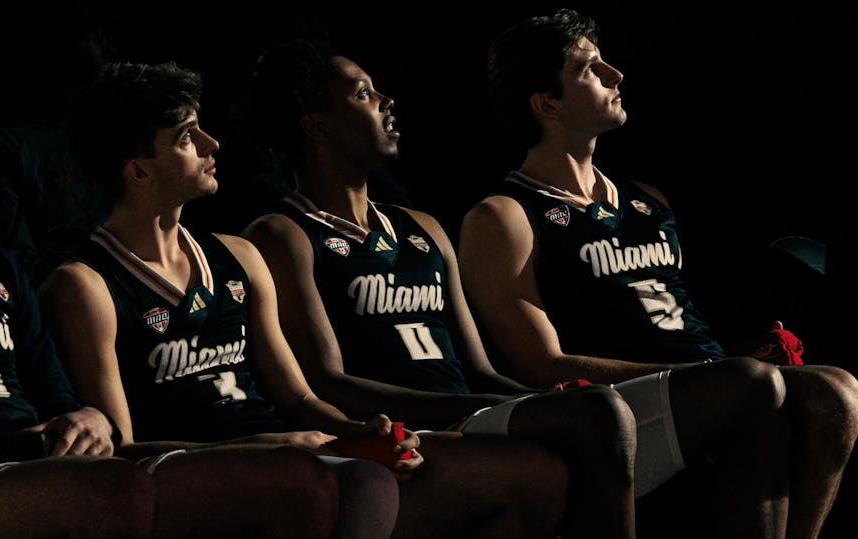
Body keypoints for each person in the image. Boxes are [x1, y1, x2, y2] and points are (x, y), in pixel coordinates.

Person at [40, 60, 572, 539]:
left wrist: (360, 432)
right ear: (138, 169)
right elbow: (125, 453)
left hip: (302, 455)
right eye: (186, 136)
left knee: (537, 475)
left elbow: (299, 399)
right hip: (211, 477)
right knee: (347, 487)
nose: (212, 144)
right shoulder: (85, 283)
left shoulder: (237, 255)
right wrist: (274, 450)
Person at [0, 62, 344, 539]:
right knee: (117, 488)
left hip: (35, 468)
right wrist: (33, 444)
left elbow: (61, 401)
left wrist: (85, 419)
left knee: (327, 484)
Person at [459, 8, 858, 538]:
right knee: (749, 383)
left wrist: (722, 367)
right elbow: (540, 363)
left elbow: (683, 324)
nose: (615, 76)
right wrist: (704, 377)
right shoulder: (504, 214)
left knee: (836, 389)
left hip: (715, 386)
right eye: (590, 69)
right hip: (619, 413)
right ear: (546, 102)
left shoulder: (648, 200)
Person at [240, 39, 646, 539]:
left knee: (589, 411)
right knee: (575, 436)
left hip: (462, 419)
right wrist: (479, 409)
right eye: (364, 94)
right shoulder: (282, 233)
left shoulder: (423, 226)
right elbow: (327, 381)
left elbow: (479, 370)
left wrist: (537, 400)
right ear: (316, 124)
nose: (387, 101)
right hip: (399, 433)